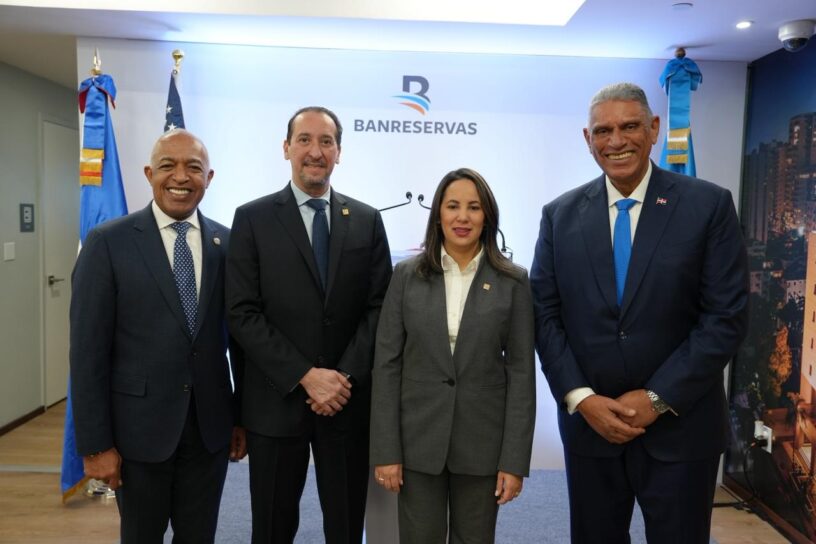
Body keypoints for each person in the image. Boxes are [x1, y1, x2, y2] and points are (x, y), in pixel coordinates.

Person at [531, 82, 749, 543]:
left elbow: (724, 318)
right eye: (602, 131)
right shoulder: (559, 215)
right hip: (591, 427)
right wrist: (581, 398)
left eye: (629, 126)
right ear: (587, 139)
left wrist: (656, 398)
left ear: (653, 129)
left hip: (681, 429)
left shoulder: (708, 205)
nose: (616, 141)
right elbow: (544, 315)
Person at [70, 129, 246, 543]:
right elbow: (87, 353)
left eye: (193, 168)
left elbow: (241, 340)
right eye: (168, 165)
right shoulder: (107, 243)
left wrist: (241, 417)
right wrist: (95, 445)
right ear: (150, 173)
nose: (180, 177)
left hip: (209, 433)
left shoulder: (228, 244)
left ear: (209, 177)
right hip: (137, 435)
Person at [226, 106, 393, 544]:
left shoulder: (367, 220)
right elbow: (242, 312)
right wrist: (305, 376)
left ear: (339, 152)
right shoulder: (252, 219)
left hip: (345, 403)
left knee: (346, 528)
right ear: (286, 148)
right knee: (272, 528)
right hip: (276, 404)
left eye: (326, 141)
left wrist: (341, 379)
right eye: (304, 140)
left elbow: (380, 309)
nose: (315, 151)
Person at [371, 168, 536, 544]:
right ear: (438, 215)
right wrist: (386, 450)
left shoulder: (513, 281)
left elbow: (521, 373)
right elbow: (387, 366)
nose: (463, 217)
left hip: (483, 445)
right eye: (453, 206)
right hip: (417, 443)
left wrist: (513, 461)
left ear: (487, 216)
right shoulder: (406, 275)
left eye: (474, 207)